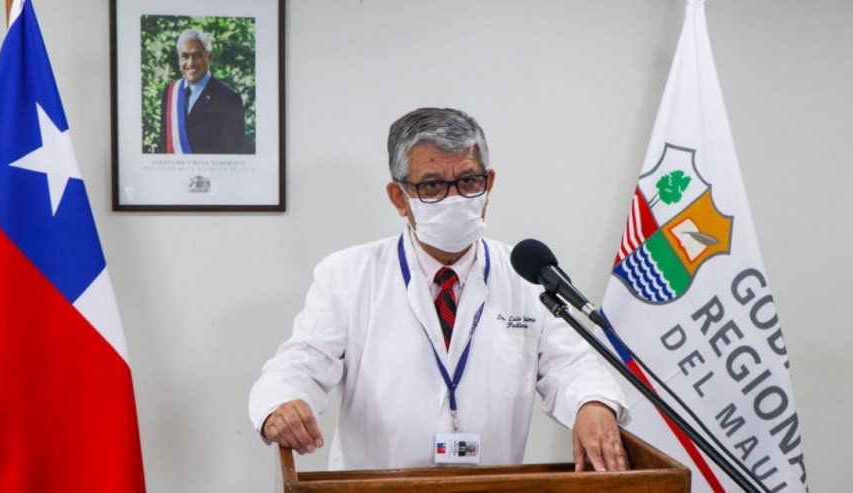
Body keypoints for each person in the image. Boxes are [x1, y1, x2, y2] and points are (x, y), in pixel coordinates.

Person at [249, 108, 629, 471]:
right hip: (378, 488)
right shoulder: (347, 275)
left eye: (468, 181)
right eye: (432, 186)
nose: (454, 199)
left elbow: (573, 366)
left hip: (492, 486)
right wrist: (282, 402)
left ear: (488, 184)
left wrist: (592, 403)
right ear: (399, 198)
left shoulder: (527, 277)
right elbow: (302, 363)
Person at [157, 29, 246, 154]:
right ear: (179, 59)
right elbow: (164, 145)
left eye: (197, 56)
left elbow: (233, 154)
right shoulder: (170, 92)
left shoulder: (228, 98)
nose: (191, 63)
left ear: (209, 58)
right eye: (185, 56)